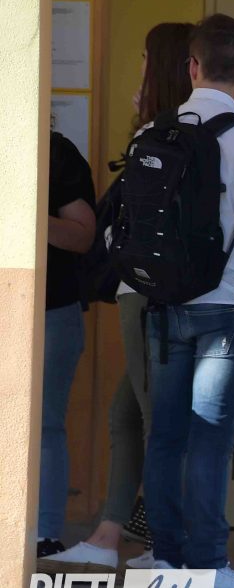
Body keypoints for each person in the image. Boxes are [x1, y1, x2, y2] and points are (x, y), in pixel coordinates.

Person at [39, 22, 194, 574]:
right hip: (152, 290)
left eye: (147, 58)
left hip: (149, 292)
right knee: (126, 413)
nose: (140, 68)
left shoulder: (167, 134)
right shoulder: (168, 131)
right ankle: (109, 534)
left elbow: (114, 225)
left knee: (155, 419)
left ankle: (171, 543)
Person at [140, 13, 234, 588]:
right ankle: (207, 565)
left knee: (165, 436)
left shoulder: (151, 134)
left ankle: (165, 561)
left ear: (192, 67)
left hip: (164, 305)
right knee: (211, 439)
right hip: (230, 307)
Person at [35, 127, 96, 559]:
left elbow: (82, 235)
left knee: (44, 423)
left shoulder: (53, 150)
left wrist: (28, 212)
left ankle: (43, 535)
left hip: (50, 308)